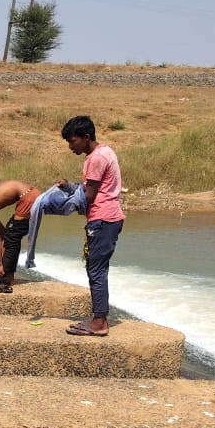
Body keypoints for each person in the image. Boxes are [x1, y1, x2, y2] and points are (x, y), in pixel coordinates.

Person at [61, 115, 124, 337]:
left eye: (73, 141)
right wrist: (70, 187)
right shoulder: (104, 152)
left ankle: (99, 323)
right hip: (108, 217)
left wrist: (60, 205)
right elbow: (90, 188)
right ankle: (99, 317)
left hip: (102, 219)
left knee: (96, 270)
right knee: (95, 268)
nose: (70, 146)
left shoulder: (96, 159)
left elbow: (89, 196)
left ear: (86, 137)